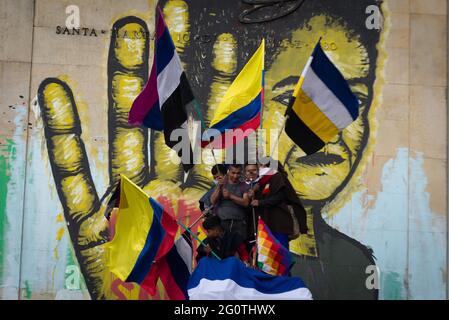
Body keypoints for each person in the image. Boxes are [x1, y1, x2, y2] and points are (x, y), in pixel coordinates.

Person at [248, 159, 308, 250]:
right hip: (266, 223)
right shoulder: (261, 182)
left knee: (281, 253)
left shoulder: (277, 177)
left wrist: (260, 202)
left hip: (279, 222)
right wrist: (254, 192)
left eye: (260, 165)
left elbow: (279, 196)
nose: (258, 168)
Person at [208, 163, 250, 240]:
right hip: (222, 223)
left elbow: (246, 203)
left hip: (239, 224)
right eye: (233, 173)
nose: (235, 176)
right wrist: (219, 187)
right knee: (224, 250)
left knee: (240, 249)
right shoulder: (221, 183)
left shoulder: (244, 185)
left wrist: (230, 196)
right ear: (228, 172)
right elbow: (212, 201)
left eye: (238, 173)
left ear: (241, 173)